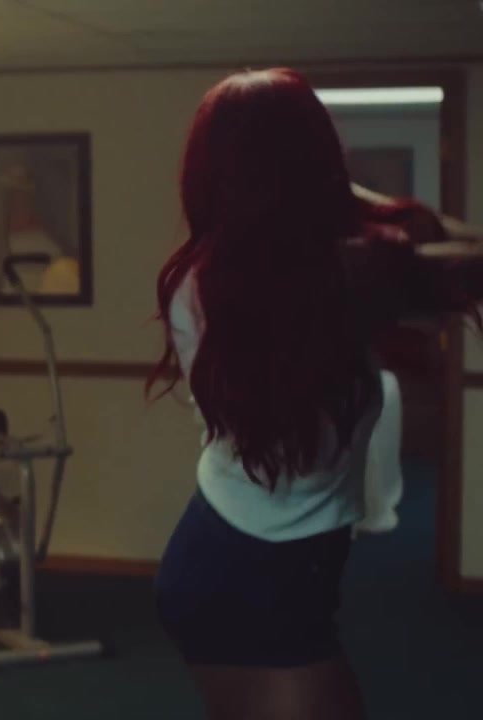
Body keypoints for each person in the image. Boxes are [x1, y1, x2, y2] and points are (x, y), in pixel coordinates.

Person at [148, 68, 483, 720]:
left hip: (232, 557)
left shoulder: (200, 278)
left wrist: (326, 192)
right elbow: (468, 250)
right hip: (256, 572)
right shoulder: (340, 278)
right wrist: (338, 189)